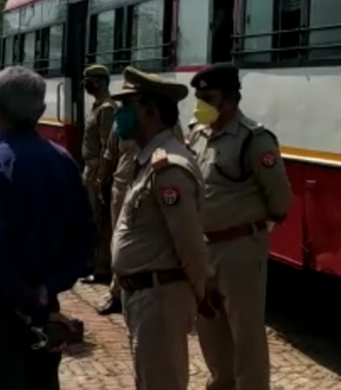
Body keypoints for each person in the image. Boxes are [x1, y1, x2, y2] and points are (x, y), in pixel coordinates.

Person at [0, 67, 94, 390]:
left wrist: (25, 305)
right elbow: (84, 240)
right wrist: (46, 292)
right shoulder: (63, 161)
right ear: (41, 111)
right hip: (46, 305)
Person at [109, 66, 217, 390]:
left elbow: (189, 242)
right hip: (144, 296)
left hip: (159, 298)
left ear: (151, 110)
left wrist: (202, 295)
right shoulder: (149, 159)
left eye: (126, 106)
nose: (120, 115)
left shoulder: (168, 167)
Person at [189, 63, 292, 390]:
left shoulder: (255, 139)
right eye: (199, 97)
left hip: (239, 249)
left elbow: (279, 198)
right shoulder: (198, 132)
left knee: (245, 331)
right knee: (208, 325)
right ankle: (221, 383)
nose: (202, 105)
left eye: (209, 97)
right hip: (204, 247)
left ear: (232, 99)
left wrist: (256, 228)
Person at [97, 121, 186, 316]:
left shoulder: (167, 124)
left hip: (150, 189)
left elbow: (179, 152)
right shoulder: (120, 122)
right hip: (123, 186)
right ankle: (117, 293)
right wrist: (102, 179)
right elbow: (109, 154)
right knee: (119, 239)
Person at [81, 64, 116, 285]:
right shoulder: (96, 107)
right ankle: (93, 262)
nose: (87, 84)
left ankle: (102, 267)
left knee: (100, 220)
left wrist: (103, 176)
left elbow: (107, 146)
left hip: (97, 171)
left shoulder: (107, 109)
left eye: (91, 80)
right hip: (89, 168)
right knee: (92, 219)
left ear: (102, 82)